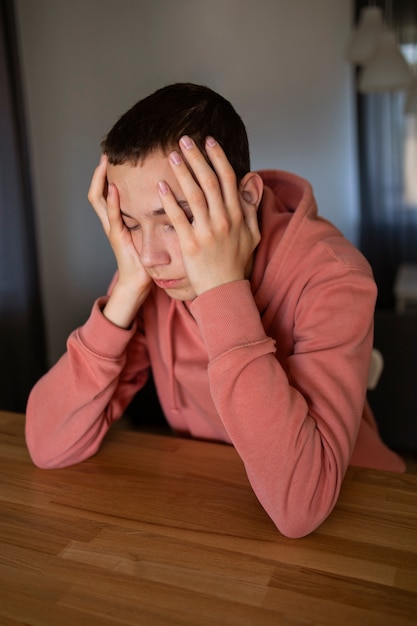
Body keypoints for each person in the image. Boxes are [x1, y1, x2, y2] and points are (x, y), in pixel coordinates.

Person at [25, 83, 405, 538]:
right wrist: (126, 290)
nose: (150, 255)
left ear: (246, 197)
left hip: (363, 512)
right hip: (220, 503)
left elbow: (302, 506)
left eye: (177, 220)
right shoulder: (150, 271)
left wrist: (223, 289)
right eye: (130, 224)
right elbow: (47, 445)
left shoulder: (335, 276)